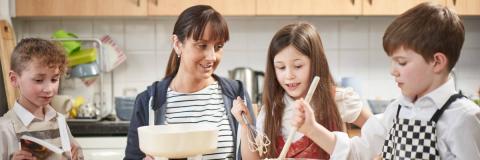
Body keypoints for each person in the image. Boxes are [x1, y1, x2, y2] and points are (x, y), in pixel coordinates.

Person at [292, 2, 480, 159]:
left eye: (402, 62)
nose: (393, 71)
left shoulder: (464, 118)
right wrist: (312, 128)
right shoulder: (397, 111)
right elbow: (356, 152)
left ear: (437, 62)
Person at [124, 5, 255, 160]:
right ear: (178, 44)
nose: (212, 57)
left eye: (218, 46)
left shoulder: (236, 95)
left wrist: (248, 127)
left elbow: (255, 153)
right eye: (202, 45)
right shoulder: (148, 102)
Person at [231, 22, 372, 159]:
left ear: (316, 63)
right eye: (281, 67)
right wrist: (245, 126)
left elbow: (379, 134)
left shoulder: (337, 99)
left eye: (298, 66)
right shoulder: (272, 110)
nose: (289, 75)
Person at [0, 38, 83, 160]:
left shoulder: (59, 121)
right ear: (14, 79)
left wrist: (77, 154)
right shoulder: (5, 127)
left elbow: (75, 154)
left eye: (54, 79)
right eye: (39, 80)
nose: (49, 89)